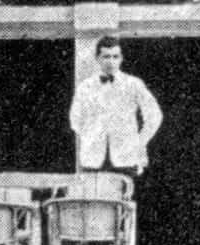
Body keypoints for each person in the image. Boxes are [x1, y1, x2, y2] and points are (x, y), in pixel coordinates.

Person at [69, 34, 163, 180]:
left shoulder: (133, 84)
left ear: (121, 58)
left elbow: (154, 115)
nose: (111, 62)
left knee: (124, 201)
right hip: (93, 159)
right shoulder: (85, 87)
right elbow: (75, 120)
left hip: (125, 158)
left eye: (115, 56)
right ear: (97, 58)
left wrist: (138, 142)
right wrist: (92, 135)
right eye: (106, 57)